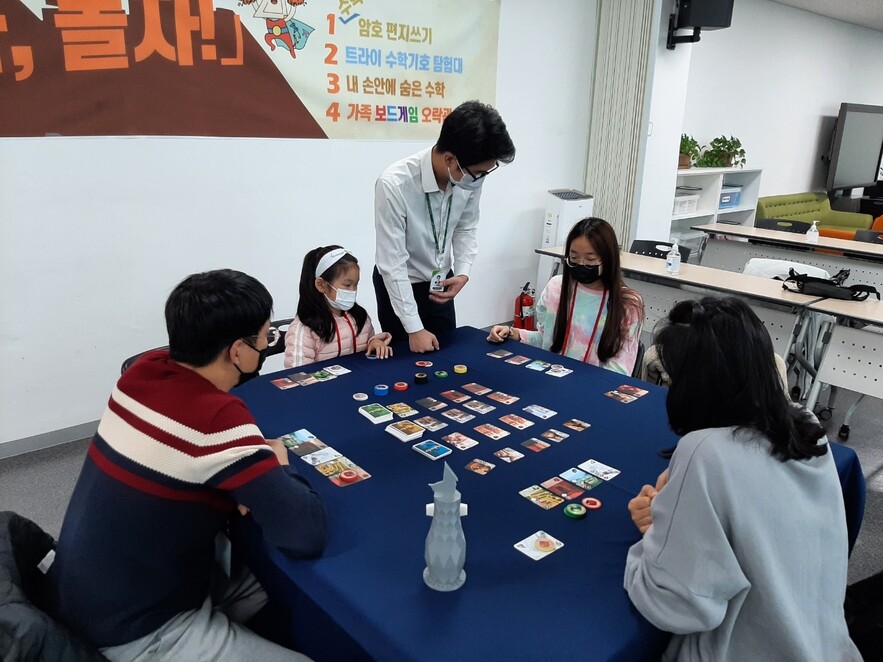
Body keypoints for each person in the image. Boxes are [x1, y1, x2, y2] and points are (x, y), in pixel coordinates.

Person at [50, 269, 328, 662]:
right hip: (135, 629)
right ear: (237, 351)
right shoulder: (216, 417)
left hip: (85, 589)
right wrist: (279, 463)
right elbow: (304, 532)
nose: (268, 346)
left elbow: (186, 462)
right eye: (266, 337)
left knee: (276, 589)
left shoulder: (141, 371)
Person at [623, 296, 860, 661]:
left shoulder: (705, 451)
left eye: (673, 378)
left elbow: (676, 605)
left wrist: (654, 537)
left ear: (697, 384)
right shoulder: (807, 424)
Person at [374, 100, 516, 353]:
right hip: (401, 283)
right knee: (405, 364)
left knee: (447, 357)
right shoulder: (394, 185)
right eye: (478, 173)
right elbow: (392, 264)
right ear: (450, 159)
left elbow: (466, 227)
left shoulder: (469, 175)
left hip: (440, 280)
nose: (480, 179)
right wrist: (414, 328)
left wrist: (462, 271)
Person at [488, 217, 644, 375]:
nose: (581, 263)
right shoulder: (557, 287)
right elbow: (545, 340)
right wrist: (512, 332)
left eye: (590, 259)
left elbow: (620, 371)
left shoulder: (628, 304)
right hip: (549, 379)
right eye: (574, 257)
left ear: (608, 259)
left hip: (593, 388)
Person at [285, 246, 392, 368]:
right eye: (347, 285)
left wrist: (374, 343)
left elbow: (367, 344)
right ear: (321, 285)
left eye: (355, 285)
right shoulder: (304, 329)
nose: (352, 291)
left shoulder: (360, 316)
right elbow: (298, 374)